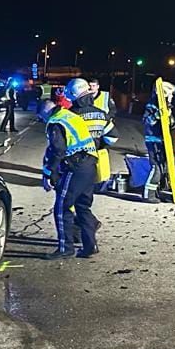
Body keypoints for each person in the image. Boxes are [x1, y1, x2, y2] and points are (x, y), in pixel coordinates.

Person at [41, 79, 101, 258]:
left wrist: (48, 173)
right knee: (83, 206)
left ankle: (65, 248)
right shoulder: (70, 116)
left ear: (45, 113)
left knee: (62, 207)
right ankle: (89, 246)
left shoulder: (55, 122)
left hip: (76, 166)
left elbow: (57, 150)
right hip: (91, 164)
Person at [78, 79, 116, 191]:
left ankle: (101, 180)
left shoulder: (105, 96)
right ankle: (90, 180)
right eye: (89, 85)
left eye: (93, 85)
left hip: (101, 130)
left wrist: (107, 119)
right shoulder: (83, 97)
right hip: (87, 131)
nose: (91, 87)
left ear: (98, 86)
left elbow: (113, 110)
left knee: (102, 156)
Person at [141, 80, 175, 201]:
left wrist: (169, 116)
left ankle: (156, 191)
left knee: (163, 167)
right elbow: (147, 122)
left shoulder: (166, 106)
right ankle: (148, 195)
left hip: (162, 140)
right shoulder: (152, 105)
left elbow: (171, 125)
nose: (171, 96)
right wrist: (157, 115)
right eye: (170, 94)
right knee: (157, 167)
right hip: (153, 140)